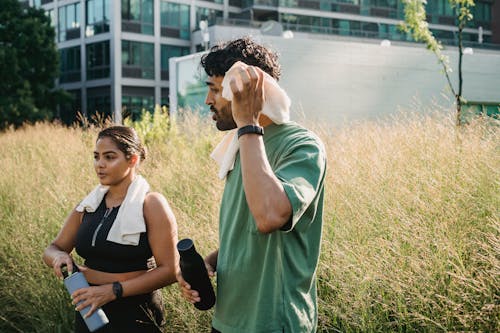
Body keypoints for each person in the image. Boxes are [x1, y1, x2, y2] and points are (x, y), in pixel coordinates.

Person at [177, 37, 327, 332]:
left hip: (273, 322)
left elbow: (270, 215)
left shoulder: (301, 145)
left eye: (216, 90)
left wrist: (248, 122)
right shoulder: (241, 145)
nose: (208, 101)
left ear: (246, 88)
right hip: (228, 320)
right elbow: (248, 231)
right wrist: (212, 262)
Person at [43, 125, 178, 333]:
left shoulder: (151, 204)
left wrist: (113, 291)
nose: (100, 165)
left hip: (136, 313)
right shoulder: (88, 205)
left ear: (132, 159)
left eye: (109, 157)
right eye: (96, 157)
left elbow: (170, 270)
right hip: (89, 308)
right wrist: (58, 257)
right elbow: (53, 248)